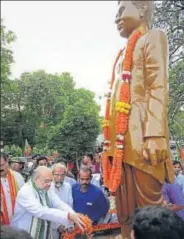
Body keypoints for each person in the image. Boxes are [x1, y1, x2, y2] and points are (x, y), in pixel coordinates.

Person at [102, 1, 174, 237]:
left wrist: (155, 134)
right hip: (119, 143)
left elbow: (158, 86)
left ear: (142, 9)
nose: (116, 18)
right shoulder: (122, 53)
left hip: (143, 138)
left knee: (149, 206)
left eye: (121, 10)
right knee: (124, 205)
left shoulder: (152, 37)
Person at [10, 166, 85, 239]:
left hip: (44, 231)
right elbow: (40, 211)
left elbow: (58, 203)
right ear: (36, 179)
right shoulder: (26, 191)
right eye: (46, 181)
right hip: (25, 231)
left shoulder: (48, 186)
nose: (49, 184)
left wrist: (72, 214)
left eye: (51, 180)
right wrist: (67, 215)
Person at [0, 152, 24, 225]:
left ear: (7, 161)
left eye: (2, 165)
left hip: (18, 221)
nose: (0, 168)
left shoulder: (17, 177)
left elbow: (25, 198)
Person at [50, 163, 73, 239]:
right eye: (57, 174)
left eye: (62, 175)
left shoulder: (68, 186)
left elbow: (69, 206)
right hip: (52, 226)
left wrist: (69, 224)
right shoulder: (48, 187)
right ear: (52, 174)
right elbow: (48, 209)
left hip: (65, 224)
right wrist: (57, 225)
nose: (59, 177)